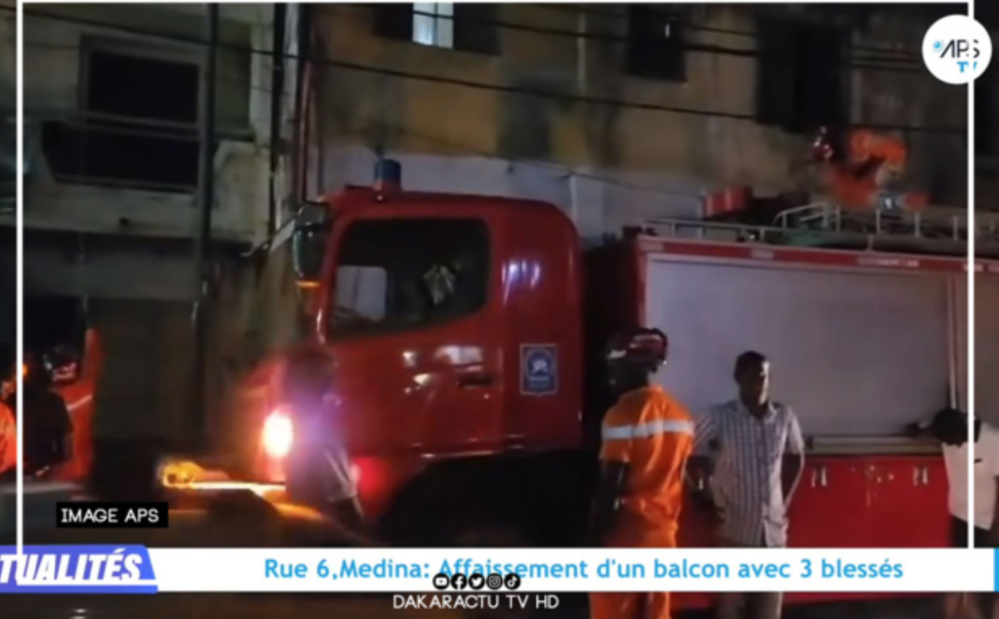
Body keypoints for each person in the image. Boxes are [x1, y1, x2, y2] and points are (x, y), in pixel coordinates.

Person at [589, 328, 694, 619]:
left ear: (632, 367)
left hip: (626, 537)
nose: (610, 373)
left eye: (614, 365)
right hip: (663, 538)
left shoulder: (621, 414)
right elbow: (679, 477)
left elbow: (611, 482)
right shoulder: (681, 415)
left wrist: (594, 536)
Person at [694, 351, 805, 619]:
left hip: (773, 534)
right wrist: (700, 492)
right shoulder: (719, 417)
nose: (758, 383)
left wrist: (785, 501)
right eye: (751, 376)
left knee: (768, 612)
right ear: (737, 378)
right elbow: (688, 454)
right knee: (730, 610)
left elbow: (796, 458)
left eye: (763, 376)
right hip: (735, 530)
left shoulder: (784, 417)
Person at [912, 408, 999, 619]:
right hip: (961, 519)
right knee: (963, 585)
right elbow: (923, 431)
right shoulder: (950, 434)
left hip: (988, 524)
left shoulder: (993, 442)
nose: (951, 446)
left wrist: (997, 528)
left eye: (953, 441)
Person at [280, 345, 369, 544]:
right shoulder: (303, 422)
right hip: (309, 517)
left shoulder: (323, 427)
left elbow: (341, 491)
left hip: (322, 519)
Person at [21, 352, 73, 477]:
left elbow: (66, 438)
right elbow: (66, 438)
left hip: (44, 469)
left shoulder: (52, 401)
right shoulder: (53, 401)